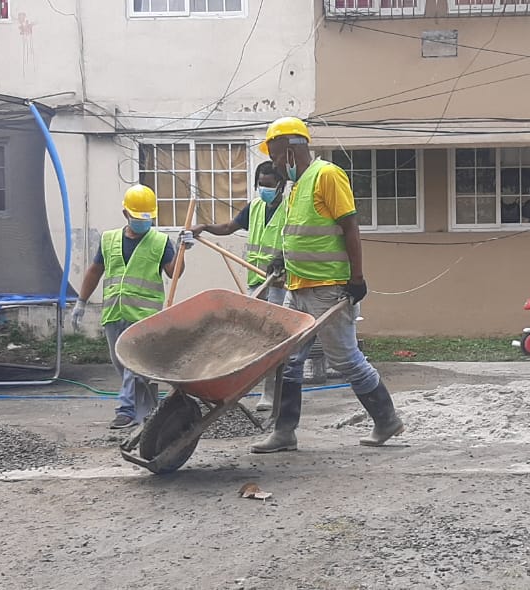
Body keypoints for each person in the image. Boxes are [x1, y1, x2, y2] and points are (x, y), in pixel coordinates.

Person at [249, 116, 404, 454]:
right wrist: (280, 259)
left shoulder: (327, 175)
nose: (274, 166)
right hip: (298, 287)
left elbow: (350, 226)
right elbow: (297, 233)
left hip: (329, 289)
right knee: (289, 359)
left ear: (291, 150)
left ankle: (386, 419)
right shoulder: (296, 186)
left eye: (275, 157)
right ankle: (284, 432)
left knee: (346, 359)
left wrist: (357, 278)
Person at [71, 184, 194, 428]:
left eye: (148, 219)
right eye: (138, 218)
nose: (143, 223)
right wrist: (81, 302)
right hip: (114, 313)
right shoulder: (109, 240)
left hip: (144, 316)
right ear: (126, 214)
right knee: (124, 365)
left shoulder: (160, 242)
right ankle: (151, 410)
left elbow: (174, 273)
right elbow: (95, 271)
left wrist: (183, 251)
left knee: (133, 363)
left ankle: (125, 410)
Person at [189, 161, 290, 411]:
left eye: (268, 185)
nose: (263, 190)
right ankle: (255, 389)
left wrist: (284, 262)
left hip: (280, 283)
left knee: (274, 340)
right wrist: (205, 227)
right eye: (260, 185)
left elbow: (298, 242)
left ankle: (271, 393)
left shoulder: (290, 209)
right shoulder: (254, 207)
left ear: (281, 185)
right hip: (257, 283)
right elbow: (228, 227)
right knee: (257, 340)